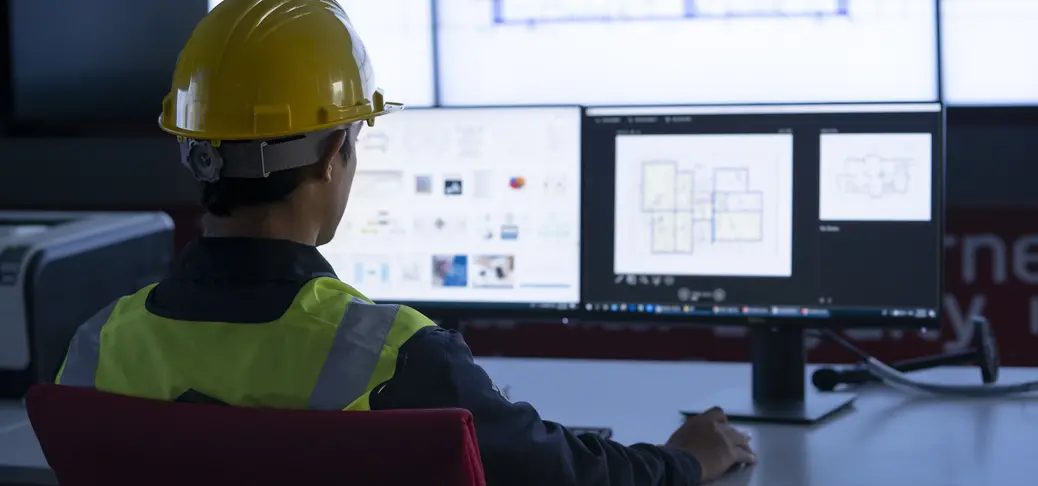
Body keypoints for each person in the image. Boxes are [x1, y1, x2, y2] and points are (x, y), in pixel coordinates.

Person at [55, 0, 755, 484]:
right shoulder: (392, 354)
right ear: (334, 155)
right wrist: (683, 461)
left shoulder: (96, 348)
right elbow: (564, 474)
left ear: (193, 152)